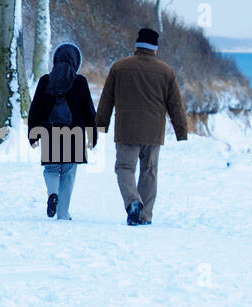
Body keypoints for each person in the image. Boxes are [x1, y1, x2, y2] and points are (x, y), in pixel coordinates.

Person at [95, 27, 189, 226]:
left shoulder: (119, 67)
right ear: (155, 48)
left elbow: (106, 99)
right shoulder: (166, 71)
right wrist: (181, 131)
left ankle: (133, 203)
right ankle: (144, 215)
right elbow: (175, 105)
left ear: (137, 45)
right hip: (153, 133)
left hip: (126, 130)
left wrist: (100, 124)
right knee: (149, 171)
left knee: (124, 168)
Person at [27, 42, 97, 221]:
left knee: (51, 169)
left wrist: (32, 135)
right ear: (76, 62)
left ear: (55, 59)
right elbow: (89, 111)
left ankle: (52, 194)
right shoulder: (80, 82)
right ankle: (63, 214)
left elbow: (35, 110)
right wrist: (93, 135)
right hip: (74, 135)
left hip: (49, 133)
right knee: (68, 172)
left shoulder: (45, 81)